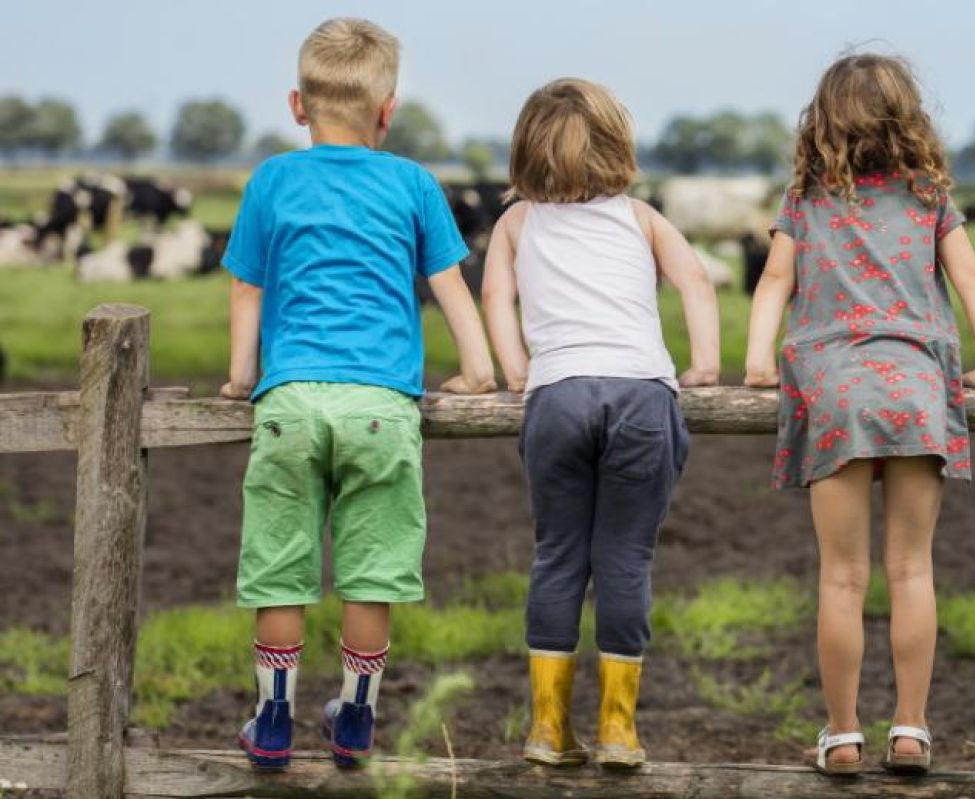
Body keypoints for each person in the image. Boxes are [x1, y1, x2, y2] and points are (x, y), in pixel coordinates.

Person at [221, 17, 495, 771]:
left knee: (280, 564)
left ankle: (272, 719)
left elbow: (247, 286)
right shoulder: (412, 183)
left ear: (296, 104)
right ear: (387, 110)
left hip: (290, 403)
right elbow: (449, 286)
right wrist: (478, 371)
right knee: (371, 567)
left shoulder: (272, 179)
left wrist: (242, 376)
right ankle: (355, 719)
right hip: (380, 404)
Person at [744, 54, 975, 776]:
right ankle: (912, 728)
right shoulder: (930, 198)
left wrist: (759, 361)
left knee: (842, 578)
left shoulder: (803, 199)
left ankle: (841, 733)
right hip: (915, 391)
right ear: (908, 120)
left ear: (821, 123)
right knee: (911, 569)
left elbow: (774, 278)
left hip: (834, 395)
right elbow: (972, 275)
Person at [480, 78, 720, 769]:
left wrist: (517, 368)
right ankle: (618, 729)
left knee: (558, 555)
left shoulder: (517, 222)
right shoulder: (641, 218)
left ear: (526, 149)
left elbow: (497, 294)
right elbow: (695, 282)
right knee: (624, 559)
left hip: (556, 395)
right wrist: (703, 362)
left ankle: (548, 729)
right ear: (620, 145)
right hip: (641, 392)